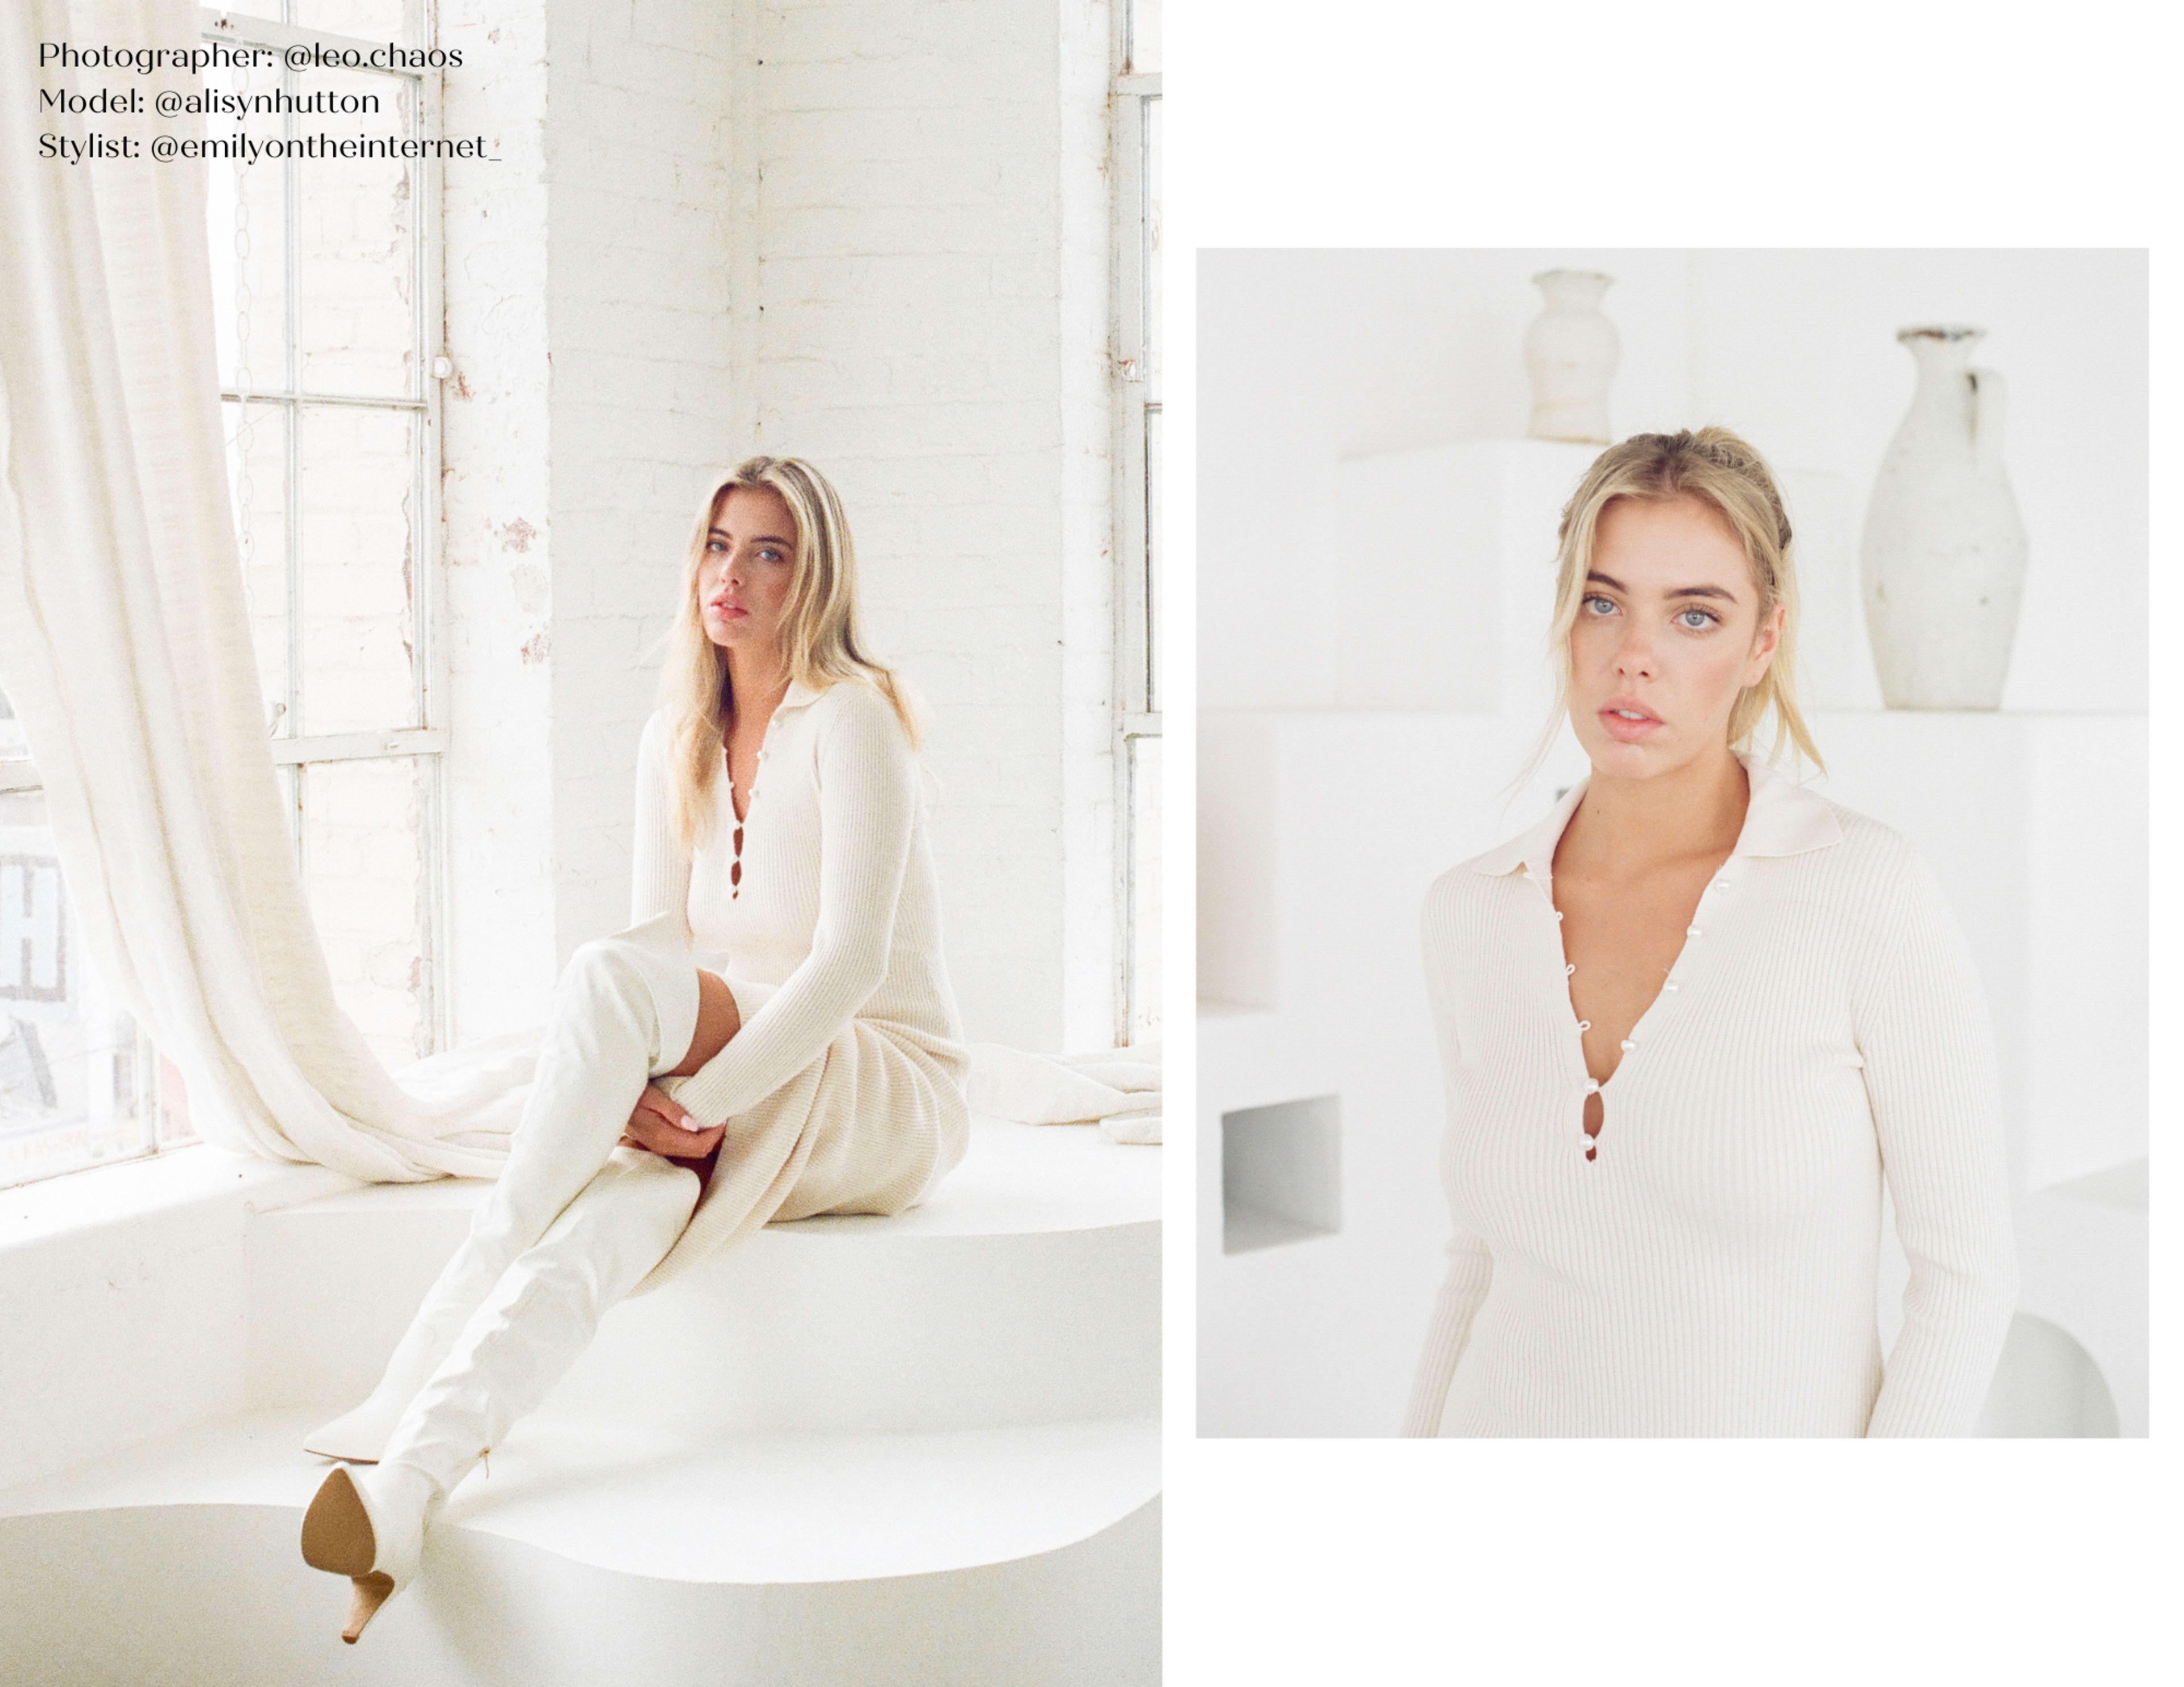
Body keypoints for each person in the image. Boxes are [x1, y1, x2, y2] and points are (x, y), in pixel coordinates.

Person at [299, 456, 970, 1639]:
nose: (736, 575)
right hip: (738, 1076)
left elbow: (851, 965)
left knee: (603, 980)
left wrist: (697, 1096)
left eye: (770, 551)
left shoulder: (855, 717)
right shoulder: (677, 732)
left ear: (815, 575)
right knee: (598, 1230)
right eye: (720, 544)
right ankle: (407, 1494)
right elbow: (666, 947)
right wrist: (631, 1107)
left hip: (872, 1081)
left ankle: (420, 1349)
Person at [1400, 427, 2016, 1439]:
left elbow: (1967, 1277)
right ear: (1563, 620)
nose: (1633, 656)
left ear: (1762, 642)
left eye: (1695, 615)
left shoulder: (1864, 892)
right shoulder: (1470, 909)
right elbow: (1479, 1262)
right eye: (1602, 602)